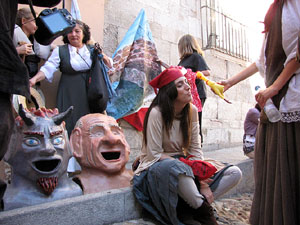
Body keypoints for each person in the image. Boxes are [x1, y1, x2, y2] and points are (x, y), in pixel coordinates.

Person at [219, 1, 300, 224]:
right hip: (274, 102)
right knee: (272, 174)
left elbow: (297, 54)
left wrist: (275, 87)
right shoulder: (276, 9)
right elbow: (262, 59)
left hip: (291, 97)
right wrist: (231, 81)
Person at [133, 66, 242, 225]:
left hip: (185, 162)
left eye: (186, 82)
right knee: (179, 170)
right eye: (180, 85)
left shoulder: (191, 110)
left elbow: (195, 148)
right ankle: (204, 212)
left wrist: (202, 179)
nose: (188, 86)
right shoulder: (156, 113)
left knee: (234, 173)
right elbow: (154, 154)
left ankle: (188, 208)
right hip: (159, 165)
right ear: (170, 91)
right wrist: (185, 166)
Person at [0, 0, 61, 205]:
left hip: (17, 84)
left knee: (9, 127)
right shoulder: (16, 31)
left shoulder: (28, 36)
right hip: (16, 84)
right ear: (25, 20)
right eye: (34, 21)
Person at [29, 20, 112, 136]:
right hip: (69, 91)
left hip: (90, 92)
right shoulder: (60, 50)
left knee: (90, 123)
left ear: (84, 34)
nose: (73, 34)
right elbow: (48, 68)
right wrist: (34, 79)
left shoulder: (92, 49)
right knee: (69, 122)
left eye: (77, 31)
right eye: (70, 32)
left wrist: (103, 56)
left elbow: (109, 65)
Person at [70, 113, 133, 194]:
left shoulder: (139, 179)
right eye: (98, 133)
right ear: (77, 142)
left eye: (115, 132)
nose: (112, 139)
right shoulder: (74, 190)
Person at [178, 34, 211, 146]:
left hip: (197, 93)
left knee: (195, 120)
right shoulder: (183, 60)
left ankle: (197, 145)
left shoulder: (196, 56)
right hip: (187, 94)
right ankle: (189, 145)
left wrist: (191, 75)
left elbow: (207, 72)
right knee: (187, 120)